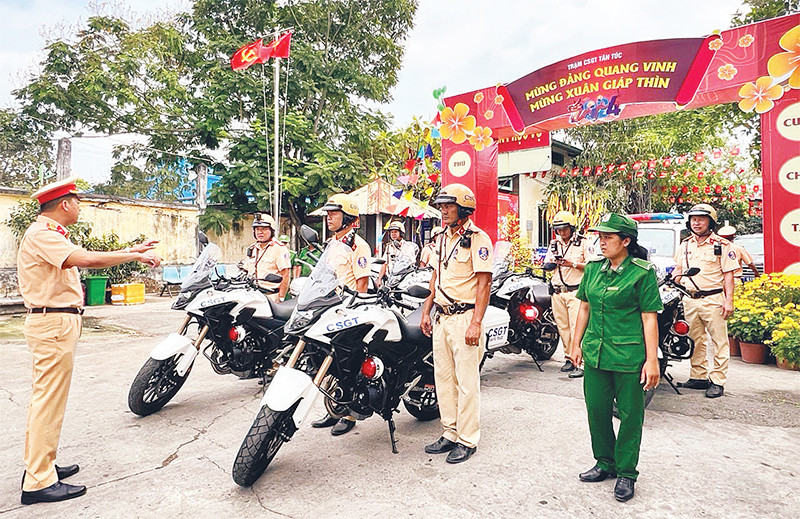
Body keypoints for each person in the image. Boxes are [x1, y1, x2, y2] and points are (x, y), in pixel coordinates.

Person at [17, 177, 161, 505]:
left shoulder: (48, 234)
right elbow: (87, 260)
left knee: (47, 401)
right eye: (77, 201)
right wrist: (133, 256)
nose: (80, 206)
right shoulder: (43, 234)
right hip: (51, 323)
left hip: (55, 321)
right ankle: (38, 481)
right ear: (65, 204)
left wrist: (131, 251)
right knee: (47, 402)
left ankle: (41, 466)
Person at [569, 213, 663, 503]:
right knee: (596, 410)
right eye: (600, 236)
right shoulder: (594, 269)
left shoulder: (642, 272)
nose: (602, 241)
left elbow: (649, 318)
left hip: (628, 356)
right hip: (596, 353)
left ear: (626, 241)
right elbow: (584, 308)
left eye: (608, 237)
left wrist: (652, 360)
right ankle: (604, 462)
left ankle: (626, 472)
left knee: (630, 416)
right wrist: (576, 344)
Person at [420, 184, 492, 464]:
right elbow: (435, 278)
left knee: (467, 383)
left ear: (463, 208)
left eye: (448, 206)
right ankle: (449, 432)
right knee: (444, 380)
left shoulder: (478, 239)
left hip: (465, 318)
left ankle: (467, 439)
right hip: (442, 317)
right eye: (441, 206)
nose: (443, 211)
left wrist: (476, 322)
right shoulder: (440, 239)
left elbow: (484, 284)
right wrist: (427, 310)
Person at [310, 193, 371, 435]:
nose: (328, 218)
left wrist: (353, 310)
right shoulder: (331, 244)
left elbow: (363, 283)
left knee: (348, 365)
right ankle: (334, 407)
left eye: (333, 213)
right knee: (326, 361)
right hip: (328, 309)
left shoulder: (359, 245)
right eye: (328, 213)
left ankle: (349, 413)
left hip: (348, 312)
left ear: (347, 217)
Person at [673, 204, 738, 398]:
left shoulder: (722, 245)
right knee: (695, 340)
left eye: (701, 219)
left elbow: (728, 274)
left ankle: (717, 380)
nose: (697, 222)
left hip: (714, 299)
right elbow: (678, 268)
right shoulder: (685, 244)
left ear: (711, 221)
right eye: (694, 219)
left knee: (719, 341)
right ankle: (698, 376)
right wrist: (673, 279)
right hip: (690, 299)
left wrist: (729, 301)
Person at [543, 210, 591, 378]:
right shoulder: (554, 244)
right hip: (558, 291)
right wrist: (550, 264)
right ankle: (569, 358)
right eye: (558, 229)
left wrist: (573, 264)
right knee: (563, 328)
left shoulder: (583, 243)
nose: (562, 232)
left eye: (564, 229)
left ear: (572, 228)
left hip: (575, 291)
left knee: (577, 327)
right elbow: (547, 262)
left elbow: (592, 266)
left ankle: (582, 362)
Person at [241, 213, 291, 301]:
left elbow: (285, 275)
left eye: (264, 229)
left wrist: (281, 297)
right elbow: (245, 270)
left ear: (272, 230)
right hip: (252, 294)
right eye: (257, 229)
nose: (260, 232)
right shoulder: (253, 248)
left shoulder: (279, 249)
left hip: (270, 296)